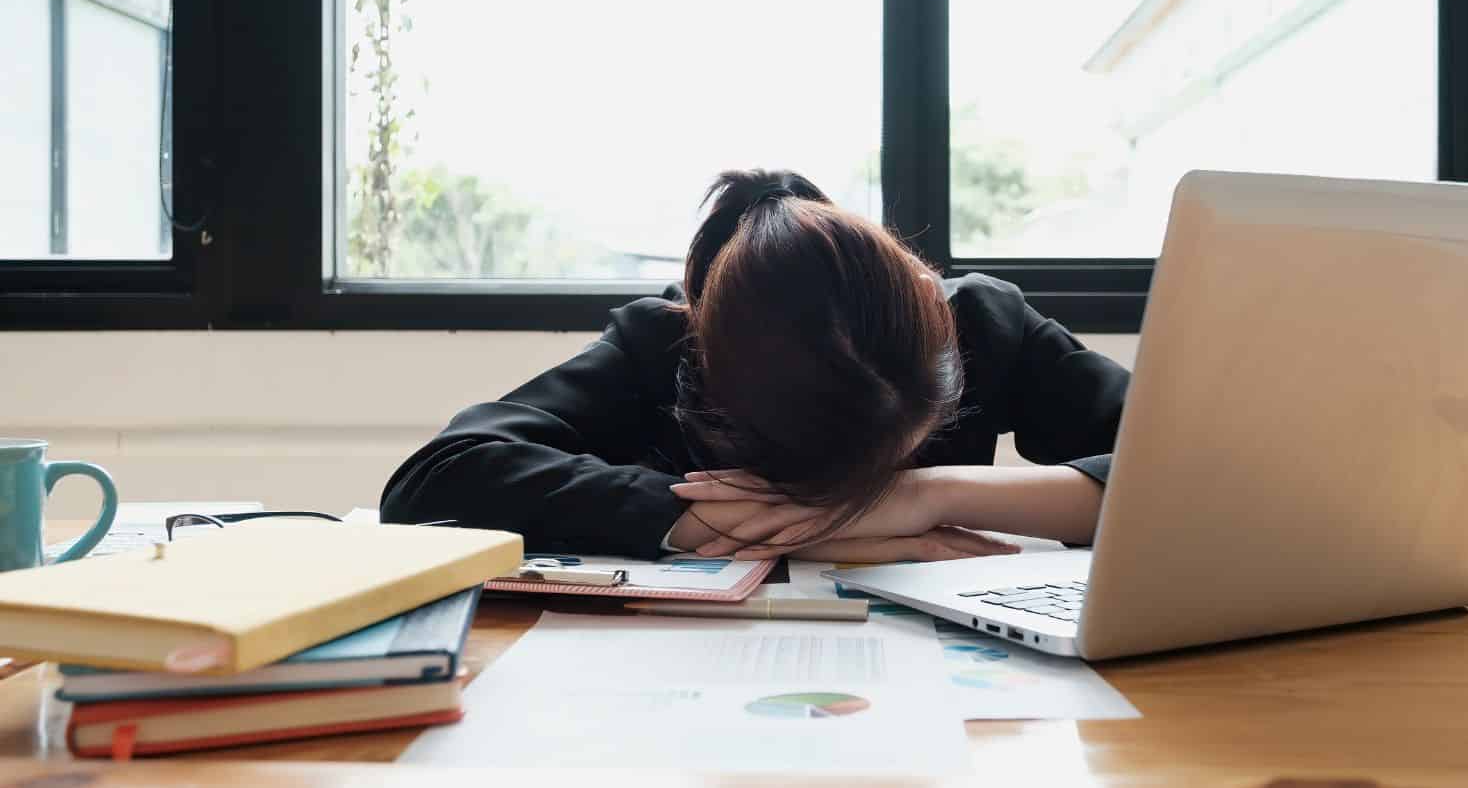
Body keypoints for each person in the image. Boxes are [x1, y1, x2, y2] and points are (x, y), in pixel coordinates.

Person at [380, 170, 1129, 562]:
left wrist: (928, 494)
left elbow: (1200, 468)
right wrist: (705, 522)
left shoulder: (983, 321)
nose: (854, 498)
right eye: (839, 486)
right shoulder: (666, 342)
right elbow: (436, 477)